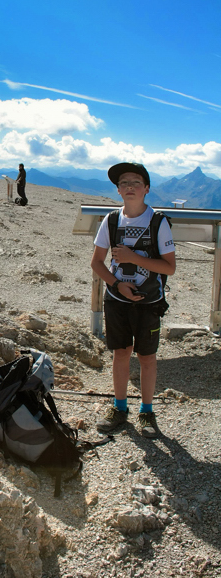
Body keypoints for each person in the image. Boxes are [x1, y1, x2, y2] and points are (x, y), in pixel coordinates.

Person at [91, 162, 176, 438]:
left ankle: (147, 411)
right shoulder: (111, 220)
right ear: (117, 190)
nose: (129, 187)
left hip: (149, 301)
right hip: (117, 299)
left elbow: (169, 267)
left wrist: (132, 258)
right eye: (124, 182)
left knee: (147, 357)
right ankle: (119, 407)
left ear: (147, 189)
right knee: (121, 353)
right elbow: (97, 262)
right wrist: (117, 284)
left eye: (136, 182)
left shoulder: (159, 222)